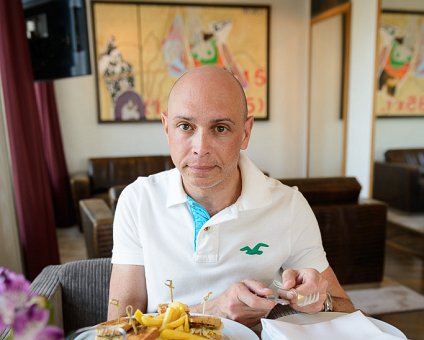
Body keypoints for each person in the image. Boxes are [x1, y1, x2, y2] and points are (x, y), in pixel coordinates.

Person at [108, 66, 355, 327]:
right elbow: (117, 326)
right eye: (185, 126)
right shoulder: (137, 200)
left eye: (221, 128)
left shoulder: (289, 205)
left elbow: (346, 309)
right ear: (167, 128)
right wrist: (213, 310)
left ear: (245, 133)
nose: (200, 149)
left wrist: (318, 301)